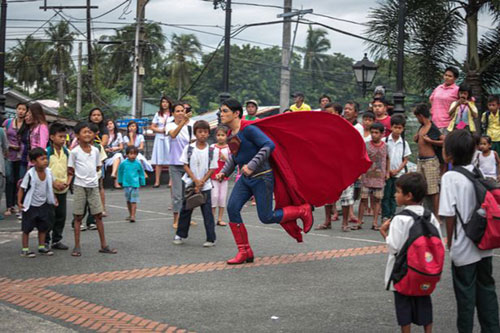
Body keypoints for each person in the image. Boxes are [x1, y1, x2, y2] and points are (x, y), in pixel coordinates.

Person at [216, 98, 371, 264]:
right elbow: (235, 156)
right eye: (221, 111)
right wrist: (224, 172)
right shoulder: (232, 134)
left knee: (266, 217)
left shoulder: (249, 130)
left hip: (262, 178)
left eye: (225, 111)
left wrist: (252, 165)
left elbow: (268, 145)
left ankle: (302, 211)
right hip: (246, 179)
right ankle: (244, 251)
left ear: (236, 113)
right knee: (232, 208)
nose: (221, 114)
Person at [439, 130, 500, 332]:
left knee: (465, 297)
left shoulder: (450, 177)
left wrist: (450, 245)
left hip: (464, 247)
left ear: (450, 154)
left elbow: (449, 214)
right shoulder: (477, 172)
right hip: (484, 244)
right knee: (487, 291)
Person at [380, 172, 442, 333]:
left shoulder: (399, 219)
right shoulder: (431, 217)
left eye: (398, 192)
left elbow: (394, 247)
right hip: (424, 270)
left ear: (408, 196)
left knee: (403, 306)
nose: (395, 195)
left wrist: (384, 234)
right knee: (424, 302)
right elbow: (439, 242)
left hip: (403, 272)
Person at [67, 122, 117, 257]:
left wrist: (95, 181)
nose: (88, 134)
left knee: (98, 216)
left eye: (90, 132)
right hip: (79, 186)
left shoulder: (95, 150)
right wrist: (68, 183)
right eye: (84, 132)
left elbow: (97, 167)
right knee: (78, 216)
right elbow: (71, 169)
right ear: (77, 135)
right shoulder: (74, 152)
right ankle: (77, 246)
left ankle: (104, 245)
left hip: (93, 186)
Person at [174, 120, 218, 246]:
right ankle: (180, 234)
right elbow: (185, 165)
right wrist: (195, 180)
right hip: (190, 184)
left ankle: (210, 238)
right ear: (195, 133)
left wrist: (202, 181)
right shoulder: (189, 148)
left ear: (209, 133)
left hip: (206, 185)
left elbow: (212, 168)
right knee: (186, 210)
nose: (202, 134)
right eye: (199, 132)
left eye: (205, 132)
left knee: (207, 213)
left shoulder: (212, 150)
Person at [18, 148, 56, 257]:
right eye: (42, 159)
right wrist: (20, 202)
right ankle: (25, 249)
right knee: (27, 228)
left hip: (44, 203)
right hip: (31, 205)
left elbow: (50, 186)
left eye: (46, 158)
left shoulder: (48, 172)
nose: (45, 161)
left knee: (43, 226)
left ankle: (41, 246)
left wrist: (54, 198)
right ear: (34, 162)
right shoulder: (30, 174)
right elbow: (22, 188)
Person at [355, 122, 389, 231]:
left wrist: (387, 172)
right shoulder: (366, 145)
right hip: (367, 176)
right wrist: (360, 173)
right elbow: (361, 159)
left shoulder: (386, 146)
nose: (374, 134)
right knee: (363, 199)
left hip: (379, 177)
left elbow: (388, 158)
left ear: (382, 134)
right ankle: (359, 222)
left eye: (376, 133)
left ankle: (375, 222)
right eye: (372, 132)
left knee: (377, 200)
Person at [413, 103, 444, 221]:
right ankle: (420, 213)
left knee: (433, 190)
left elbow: (444, 141)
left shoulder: (432, 127)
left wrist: (431, 141)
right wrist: (417, 138)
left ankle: (437, 216)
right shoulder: (421, 127)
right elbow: (419, 140)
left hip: (430, 161)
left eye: (417, 117)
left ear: (421, 116)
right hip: (421, 160)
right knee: (420, 188)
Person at [166, 103, 194, 228]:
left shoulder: (190, 126)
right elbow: (173, 134)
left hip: (188, 164)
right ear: (173, 113)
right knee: (177, 194)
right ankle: (176, 220)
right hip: (175, 164)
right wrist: (183, 122)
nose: (181, 113)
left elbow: (194, 141)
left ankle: (187, 218)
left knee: (188, 194)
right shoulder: (170, 125)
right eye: (177, 111)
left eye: (182, 111)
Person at [381, 115, 411, 221]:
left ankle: (392, 214)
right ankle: (385, 214)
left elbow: (405, 159)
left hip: (398, 173)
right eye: (395, 127)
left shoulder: (404, 143)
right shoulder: (384, 141)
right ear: (391, 127)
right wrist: (388, 170)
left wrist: (397, 170)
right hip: (386, 173)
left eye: (400, 128)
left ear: (403, 129)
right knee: (385, 194)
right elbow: (382, 157)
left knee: (394, 195)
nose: (397, 130)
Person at [45, 123, 70, 250]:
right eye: (60, 136)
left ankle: (56, 240)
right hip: (49, 190)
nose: (63, 139)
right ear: (52, 137)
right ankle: (45, 240)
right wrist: (53, 183)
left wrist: (68, 182)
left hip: (63, 189)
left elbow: (70, 170)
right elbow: (43, 171)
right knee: (48, 216)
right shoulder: (47, 153)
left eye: (64, 136)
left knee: (61, 215)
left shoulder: (67, 152)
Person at [3, 103, 26, 216]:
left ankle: (17, 204)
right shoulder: (8, 123)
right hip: (9, 155)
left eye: (23, 109)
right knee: (9, 179)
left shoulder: (27, 125)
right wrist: (10, 146)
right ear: (16, 110)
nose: (21, 111)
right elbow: (3, 136)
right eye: (19, 109)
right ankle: (9, 206)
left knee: (19, 181)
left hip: (22, 156)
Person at [118, 146, 146, 223]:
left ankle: (133, 215)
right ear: (127, 154)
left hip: (135, 185)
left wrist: (142, 182)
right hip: (126, 184)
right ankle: (130, 214)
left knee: (134, 201)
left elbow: (141, 173)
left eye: (135, 154)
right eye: (131, 154)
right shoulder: (123, 163)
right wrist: (119, 181)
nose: (133, 156)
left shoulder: (138, 163)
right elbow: (120, 172)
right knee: (128, 200)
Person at [430, 66, 460, 133]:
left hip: (448, 125)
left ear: (455, 78)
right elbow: (431, 99)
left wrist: (459, 127)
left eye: (450, 76)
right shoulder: (438, 88)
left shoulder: (457, 90)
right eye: (445, 75)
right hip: (434, 124)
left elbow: (468, 102)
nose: (447, 77)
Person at [150, 96, 172, 188]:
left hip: (170, 138)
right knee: (159, 160)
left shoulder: (172, 114)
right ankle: (157, 181)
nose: (164, 104)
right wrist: (161, 130)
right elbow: (152, 126)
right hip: (159, 137)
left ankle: (171, 181)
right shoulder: (158, 114)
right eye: (163, 102)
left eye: (166, 102)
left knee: (171, 159)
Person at [211, 125, 230, 226]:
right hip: (213, 176)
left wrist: (225, 158)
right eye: (218, 135)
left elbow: (232, 162)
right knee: (214, 196)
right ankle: (212, 218)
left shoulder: (229, 148)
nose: (220, 137)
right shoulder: (212, 147)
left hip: (224, 177)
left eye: (223, 135)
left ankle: (220, 218)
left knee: (222, 197)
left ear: (227, 136)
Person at [104, 120, 124, 189]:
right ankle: (116, 183)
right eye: (107, 124)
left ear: (114, 124)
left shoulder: (118, 134)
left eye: (111, 123)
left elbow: (121, 147)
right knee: (118, 159)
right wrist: (106, 149)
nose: (109, 125)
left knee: (118, 156)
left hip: (116, 154)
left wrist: (116, 148)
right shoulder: (104, 135)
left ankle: (113, 174)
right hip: (107, 156)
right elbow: (101, 147)